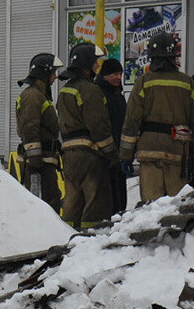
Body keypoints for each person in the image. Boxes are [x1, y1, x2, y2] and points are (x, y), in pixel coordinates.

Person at [119, 32, 194, 204]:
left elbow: (131, 121)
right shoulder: (187, 83)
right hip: (177, 152)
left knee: (152, 207)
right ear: (174, 56)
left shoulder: (143, 82)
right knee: (176, 205)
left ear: (151, 56)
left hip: (149, 150)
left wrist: (126, 155)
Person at [55, 42, 116, 228]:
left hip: (69, 155)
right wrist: (111, 153)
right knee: (95, 200)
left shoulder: (65, 89)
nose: (98, 66)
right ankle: (92, 238)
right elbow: (98, 124)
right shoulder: (90, 90)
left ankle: (68, 234)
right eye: (95, 62)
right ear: (87, 64)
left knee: (73, 201)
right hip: (89, 154)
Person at [14, 52, 63, 212]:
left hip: (44, 160)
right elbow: (30, 128)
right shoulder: (33, 96)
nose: (55, 77)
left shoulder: (39, 95)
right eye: (53, 73)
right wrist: (35, 161)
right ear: (44, 72)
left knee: (51, 200)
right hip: (38, 164)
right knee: (45, 204)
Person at [94, 57, 129, 216]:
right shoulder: (98, 94)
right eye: (114, 73)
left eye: (120, 74)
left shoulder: (119, 96)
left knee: (119, 191)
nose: (118, 77)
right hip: (104, 153)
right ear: (105, 75)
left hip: (118, 151)